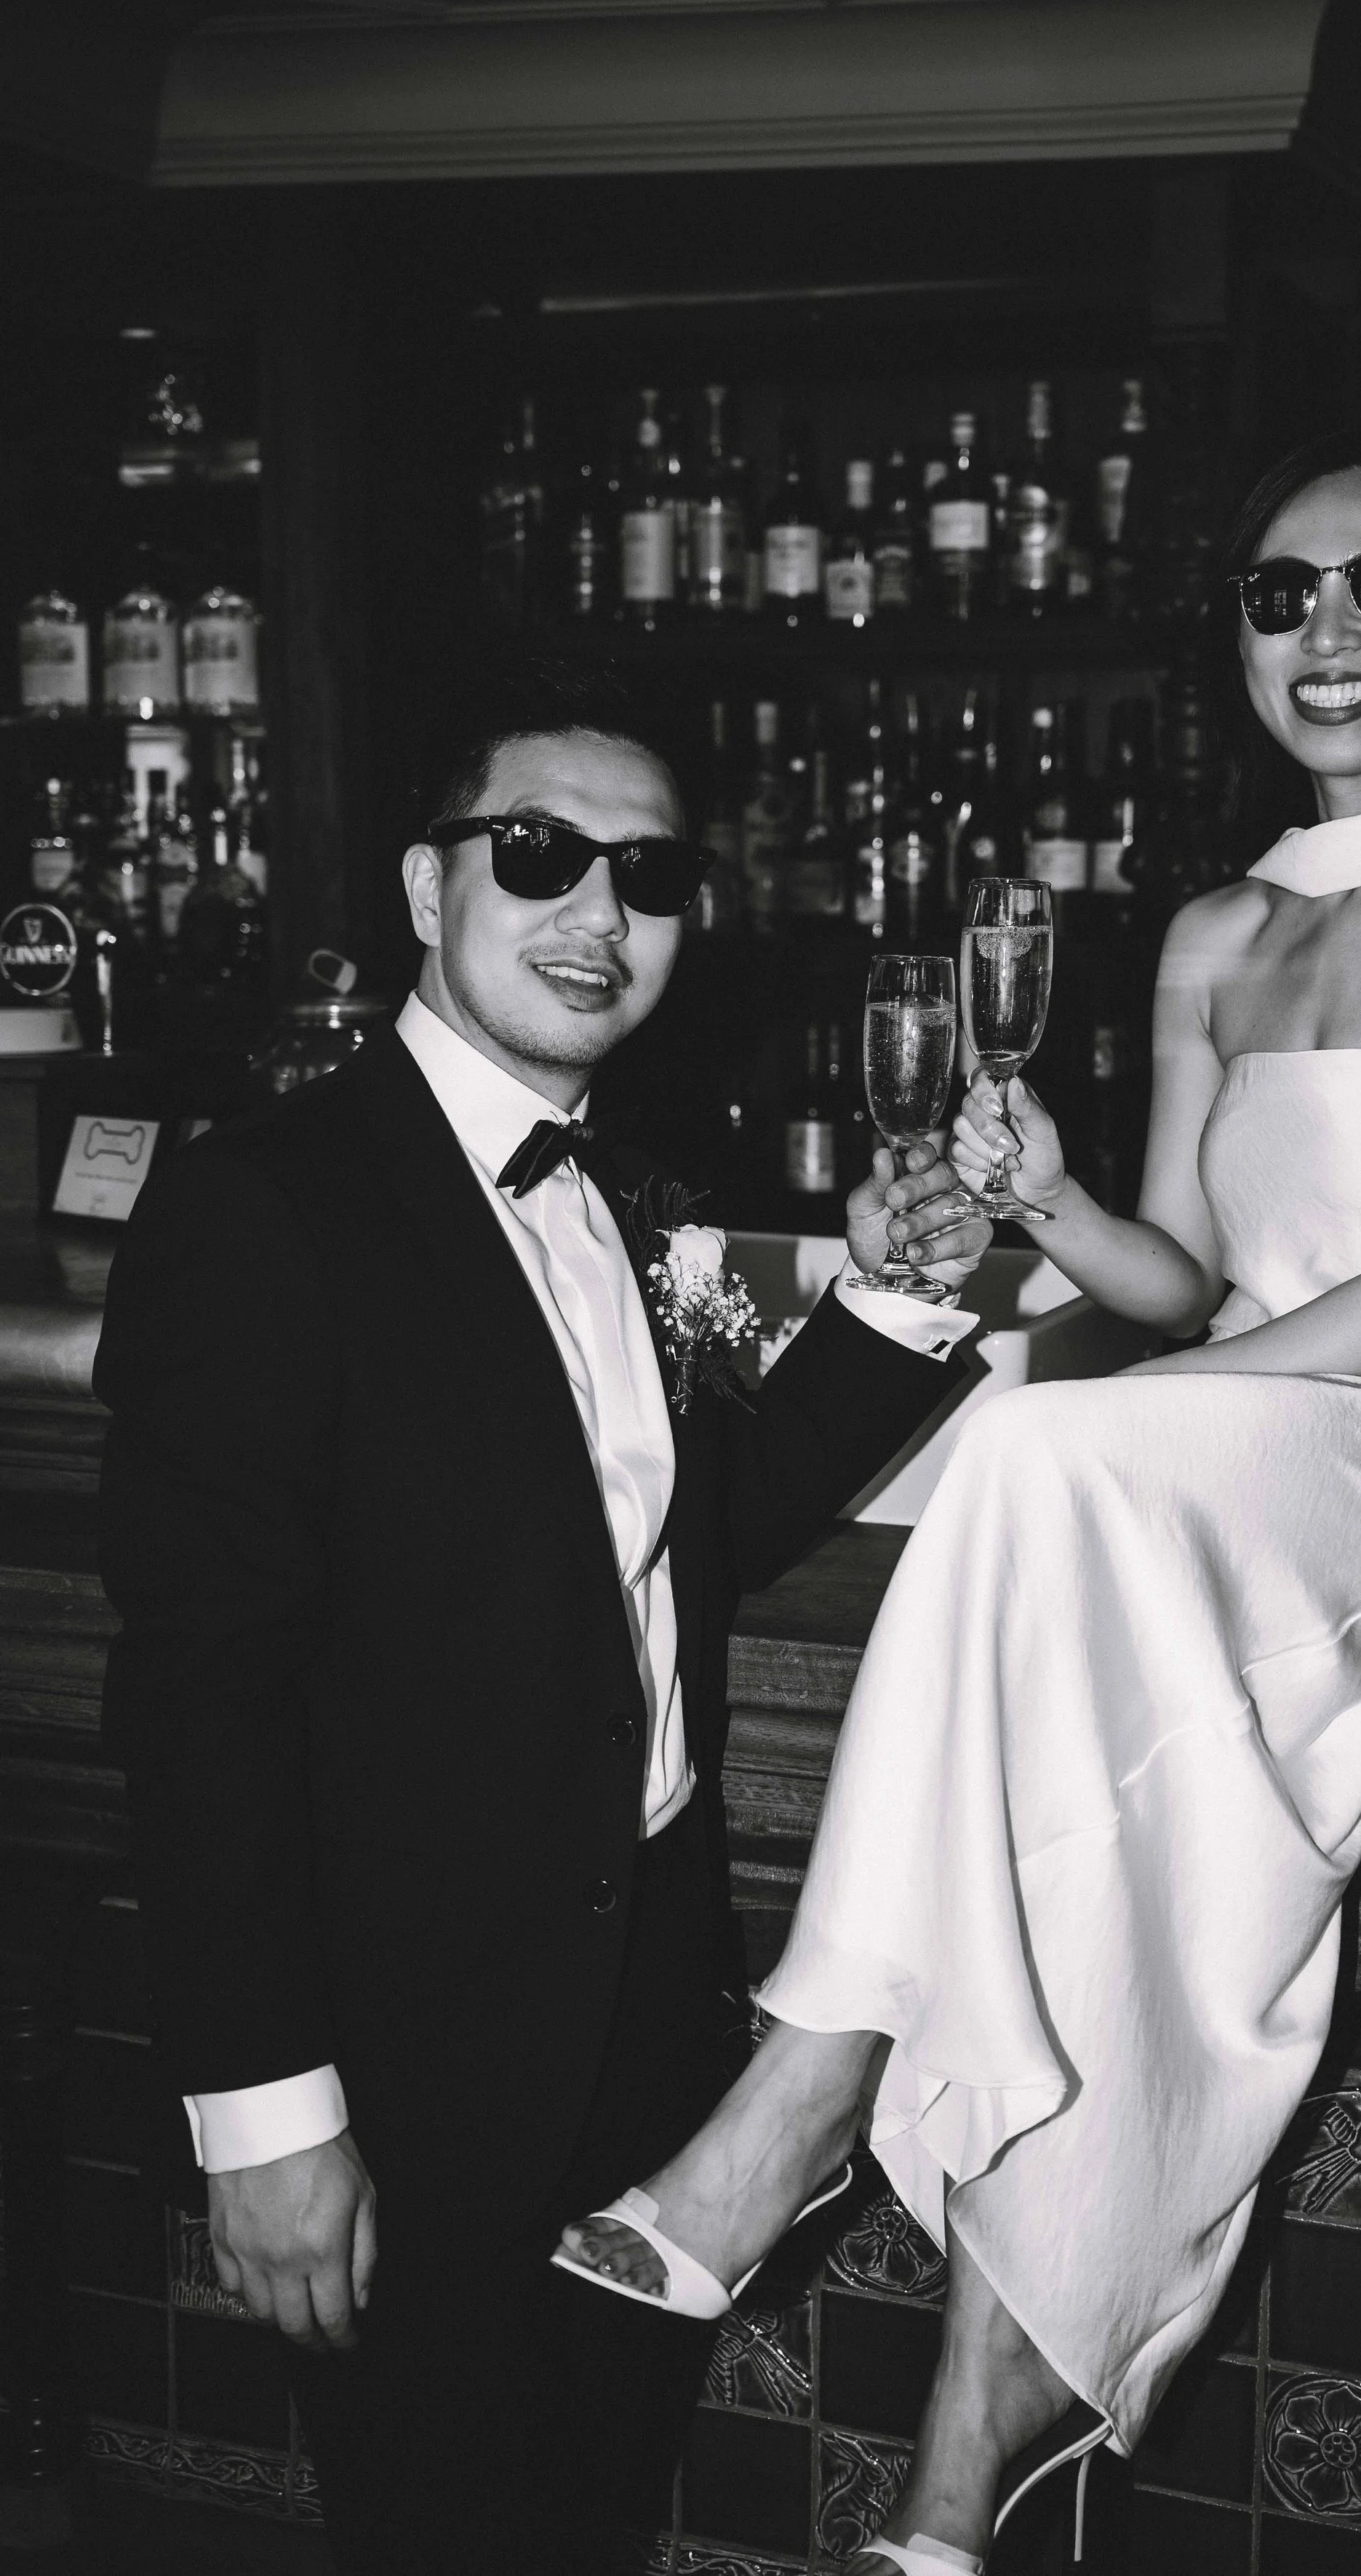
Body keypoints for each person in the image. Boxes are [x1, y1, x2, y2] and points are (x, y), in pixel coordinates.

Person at [556, 436, 1361, 2572]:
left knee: (1041, 1451)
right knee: (1127, 1830)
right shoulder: (1212, 925)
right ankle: (958, 2461)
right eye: (1279, 600)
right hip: (1256, 1448)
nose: (1331, 637)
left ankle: (808, 2081)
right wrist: (1055, 1201)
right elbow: (1186, 1271)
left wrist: (1134, 1408)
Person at [94, 658, 991, 2575]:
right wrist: (262, 2111)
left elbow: (670, 1544)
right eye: (539, 855)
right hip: (412, 2039)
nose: (598, 915)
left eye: (646, 877)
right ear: (427, 890)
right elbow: (198, 1703)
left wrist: (896, 1309)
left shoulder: (608, 1190)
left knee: (588, 2509)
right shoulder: (267, 1208)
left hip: (645, 1993)